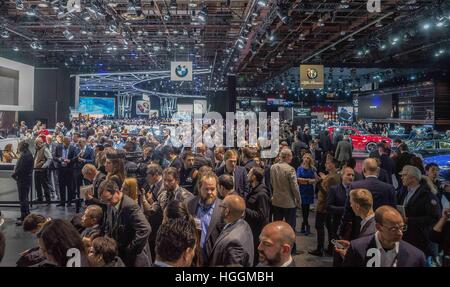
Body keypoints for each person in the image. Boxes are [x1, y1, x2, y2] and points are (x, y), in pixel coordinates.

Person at [342, 206, 426, 267]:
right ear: (378, 227)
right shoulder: (357, 249)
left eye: (402, 228)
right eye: (393, 229)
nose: (400, 233)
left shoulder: (416, 256)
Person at [339, 158, 397, 240]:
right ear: (377, 171)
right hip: (381, 229)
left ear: (363, 170)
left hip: (359, 228)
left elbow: (348, 210)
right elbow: (393, 211)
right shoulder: (389, 188)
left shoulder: (355, 186)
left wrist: (342, 230)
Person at [99, 179, 152, 267]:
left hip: (135, 259)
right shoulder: (110, 204)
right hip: (120, 255)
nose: (108, 203)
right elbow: (108, 226)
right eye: (104, 201)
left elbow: (145, 229)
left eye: (109, 199)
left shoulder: (129, 206)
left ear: (117, 192)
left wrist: (130, 249)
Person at [397, 165, 441, 257]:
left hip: (421, 240)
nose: (401, 177)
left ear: (413, 177)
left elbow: (434, 218)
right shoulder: (404, 191)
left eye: (404, 175)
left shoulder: (427, 195)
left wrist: (409, 220)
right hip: (407, 236)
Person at [186, 172, 224, 263]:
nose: (209, 192)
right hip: (193, 259)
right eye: (206, 189)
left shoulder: (223, 208)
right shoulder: (189, 204)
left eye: (212, 189)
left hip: (213, 260)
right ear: (199, 188)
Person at [208, 194, 254, 267]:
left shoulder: (233, 242)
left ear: (226, 211)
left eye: (221, 206)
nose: (218, 208)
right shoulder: (244, 225)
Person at [270, 148, 301, 254]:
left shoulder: (273, 167)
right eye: (291, 156)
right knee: (290, 227)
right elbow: (295, 188)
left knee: (277, 226)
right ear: (287, 156)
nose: (292, 158)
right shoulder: (290, 169)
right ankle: (292, 249)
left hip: (276, 201)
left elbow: (272, 183)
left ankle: (276, 246)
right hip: (289, 203)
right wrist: (298, 200)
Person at [334, 189, 376, 260]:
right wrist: (353, 246)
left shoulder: (370, 230)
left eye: (351, 203)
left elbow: (367, 257)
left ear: (357, 206)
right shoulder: (372, 222)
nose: (350, 206)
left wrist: (348, 255)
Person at [310, 158, 340, 256]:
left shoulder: (332, 177)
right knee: (330, 228)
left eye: (328, 163)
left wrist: (318, 183)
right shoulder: (335, 176)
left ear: (333, 165)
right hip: (328, 206)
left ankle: (320, 249)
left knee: (319, 227)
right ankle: (331, 248)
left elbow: (327, 193)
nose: (326, 165)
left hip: (323, 206)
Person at [245, 167, 271, 266]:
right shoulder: (253, 189)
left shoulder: (261, 194)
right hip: (252, 229)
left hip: (257, 231)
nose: (247, 175)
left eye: (249, 173)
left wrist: (244, 209)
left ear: (254, 177)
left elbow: (262, 215)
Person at [327, 166, 355, 246]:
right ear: (342, 176)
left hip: (352, 226)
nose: (351, 177)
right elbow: (329, 207)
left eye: (353, 175)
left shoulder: (356, 190)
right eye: (348, 175)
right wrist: (346, 209)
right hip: (337, 224)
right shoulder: (334, 189)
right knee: (338, 248)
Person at [12, 141, 34, 226]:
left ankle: (23, 217)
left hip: (23, 179)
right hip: (26, 179)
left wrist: (14, 175)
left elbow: (21, 169)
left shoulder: (25, 155)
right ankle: (26, 215)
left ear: (22, 146)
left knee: (23, 198)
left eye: (19, 145)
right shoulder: (28, 154)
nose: (18, 147)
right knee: (25, 198)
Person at [54, 137, 78, 207]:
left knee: (69, 187)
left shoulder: (73, 148)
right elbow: (54, 157)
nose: (68, 144)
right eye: (66, 143)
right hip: (61, 170)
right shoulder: (58, 147)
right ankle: (62, 202)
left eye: (69, 143)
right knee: (61, 186)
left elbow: (76, 158)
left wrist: (70, 161)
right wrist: (59, 159)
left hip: (69, 170)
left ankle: (69, 202)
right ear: (63, 142)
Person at [296, 153, 317, 235]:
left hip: (309, 190)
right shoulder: (299, 168)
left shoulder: (312, 168)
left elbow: (315, 179)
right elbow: (298, 179)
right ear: (303, 159)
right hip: (302, 190)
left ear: (310, 159)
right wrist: (308, 181)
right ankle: (306, 225)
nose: (306, 159)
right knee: (303, 209)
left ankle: (304, 225)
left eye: (308, 158)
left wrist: (305, 181)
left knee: (307, 209)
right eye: (305, 158)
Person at [33, 137, 53, 204]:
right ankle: (40, 199)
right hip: (36, 170)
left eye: (41, 142)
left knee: (45, 185)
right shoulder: (37, 149)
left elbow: (50, 158)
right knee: (37, 185)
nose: (40, 143)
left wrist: (44, 167)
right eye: (38, 142)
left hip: (42, 171)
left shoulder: (44, 148)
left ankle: (48, 200)